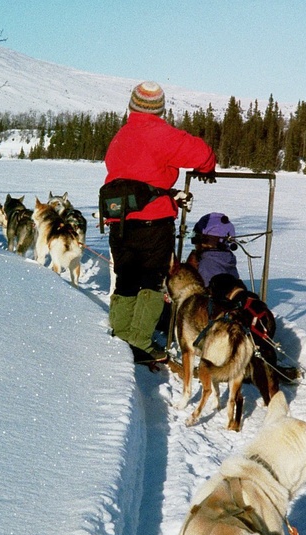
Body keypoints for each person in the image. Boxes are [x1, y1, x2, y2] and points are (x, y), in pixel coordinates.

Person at [103, 81, 216, 363]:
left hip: (119, 221)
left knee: (125, 280)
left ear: (132, 105)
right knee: (151, 283)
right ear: (160, 109)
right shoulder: (163, 135)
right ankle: (140, 343)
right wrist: (208, 167)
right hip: (154, 223)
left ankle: (119, 334)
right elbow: (202, 154)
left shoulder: (121, 136)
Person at [186, 212, 239, 286]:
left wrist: (188, 274)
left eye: (198, 238)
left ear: (207, 240)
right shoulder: (227, 261)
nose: (195, 244)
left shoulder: (207, 265)